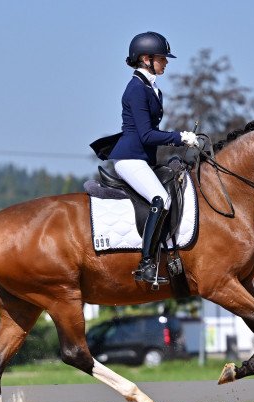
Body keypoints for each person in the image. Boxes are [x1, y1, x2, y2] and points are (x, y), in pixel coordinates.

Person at [108, 32, 199, 285]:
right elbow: (147, 135)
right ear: (146, 59)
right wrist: (179, 138)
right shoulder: (136, 89)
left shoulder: (150, 87)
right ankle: (146, 263)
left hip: (142, 158)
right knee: (161, 198)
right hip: (130, 157)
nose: (166, 62)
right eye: (162, 58)